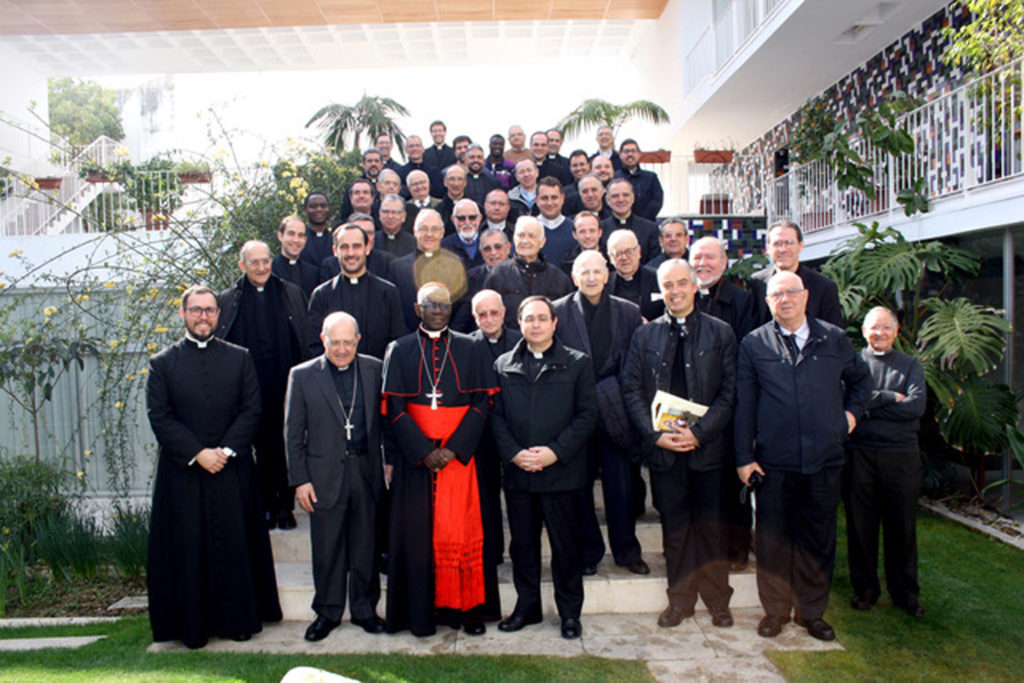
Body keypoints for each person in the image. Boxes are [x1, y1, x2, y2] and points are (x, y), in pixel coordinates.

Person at [735, 271, 871, 642]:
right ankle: (775, 612)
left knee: (817, 540)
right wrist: (744, 457)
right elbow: (745, 404)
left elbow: (861, 382)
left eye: (792, 292)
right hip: (773, 463)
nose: (785, 299)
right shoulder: (753, 344)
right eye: (777, 294)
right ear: (767, 302)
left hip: (824, 461)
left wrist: (851, 416)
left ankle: (811, 613)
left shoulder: (835, 339)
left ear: (806, 296)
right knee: (772, 541)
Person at [146, 285, 281, 649]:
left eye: (209, 310)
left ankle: (238, 620)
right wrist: (197, 452)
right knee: (189, 547)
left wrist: (224, 450)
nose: (203, 316)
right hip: (184, 474)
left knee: (235, 545)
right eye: (195, 310)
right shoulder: (162, 363)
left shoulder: (240, 358)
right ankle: (194, 626)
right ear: (183, 314)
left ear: (219, 315)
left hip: (231, 469)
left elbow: (252, 409)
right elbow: (160, 417)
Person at [621, 259, 737, 630]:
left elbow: (730, 392)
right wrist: (655, 436)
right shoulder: (644, 336)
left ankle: (718, 600)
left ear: (694, 286)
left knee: (711, 529)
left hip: (708, 449)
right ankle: (681, 601)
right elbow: (632, 390)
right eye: (667, 285)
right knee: (675, 531)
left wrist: (699, 433)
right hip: (664, 453)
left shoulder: (721, 333)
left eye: (681, 283)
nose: (675, 291)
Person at [381, 282, 500, 637]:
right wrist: (423, 451)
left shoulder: (471, 348)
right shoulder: (399, 349)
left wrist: (453, 448)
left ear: (451, 310)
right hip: (414, 460)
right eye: (430, 305)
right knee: (417, 536)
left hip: (460, 459)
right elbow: (393, 408)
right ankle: (419, 614)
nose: (437, 311)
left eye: (444, 306)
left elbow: (483, 402)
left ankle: (468, 612)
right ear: (417, 309)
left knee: (465, 531)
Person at [491, 296, 598, 640]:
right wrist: (514, 453)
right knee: (522, 547)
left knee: (566, 548)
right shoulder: (503, 364)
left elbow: (587, 416)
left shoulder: (577, 363)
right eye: (528, 319)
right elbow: (496, 417)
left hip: (561, 474)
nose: (535, 325)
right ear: (518, 324)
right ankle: (527, 607)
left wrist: (554, 452)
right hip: (520, 473)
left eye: (542, 318)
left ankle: (569, 613)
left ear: (555, 323)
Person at [285, 312, 387, 641]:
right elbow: (292, 433)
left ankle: (364, 610)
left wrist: (389, 462)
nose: (341, 349)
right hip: (323, 475)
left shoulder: (374, 369)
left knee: (365, 546)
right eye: (335, 342)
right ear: (323, 339)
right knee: (327, 548)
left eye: (347, 342)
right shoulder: (301, 375)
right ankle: (327, 613)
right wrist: (300, 480)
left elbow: (386, 422)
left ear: (358, 340)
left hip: (365, 470)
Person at [553, 250, 646, 577]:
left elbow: (636, 365)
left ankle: (627, 550)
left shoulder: (629, 312)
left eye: (597, 271)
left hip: (616, 409)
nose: (591, 277)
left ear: (607, 275)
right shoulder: (557, 312)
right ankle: (589, 551)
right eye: (584, 272)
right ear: (574, 277)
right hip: (573, 412)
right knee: (579, 486)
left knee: (621, 485)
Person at [217, 240, 309, 530]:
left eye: (265, 261)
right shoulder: (228, 299)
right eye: (254, 262)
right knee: (252, 447)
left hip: (282, 383)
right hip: (246, 388)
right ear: (242, 266)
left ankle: (284, 506)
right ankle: (263, 506)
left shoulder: (290, 293)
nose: (261, 268)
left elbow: (302, 337)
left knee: (281, 446)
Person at [844, 307, 927, 617]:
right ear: (864, 331)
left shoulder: (910, 365)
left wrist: (867, 404)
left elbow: (916, 407)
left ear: (895, 332)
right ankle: (865, 591)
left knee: (902, 527)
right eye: (873, 328)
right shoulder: (853, 363)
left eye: (885, 328)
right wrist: (891, 397)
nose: (879, 334)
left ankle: (906, 593)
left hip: (901, 458)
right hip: (860, 455)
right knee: (860, 527)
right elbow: (846, 400)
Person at [688, 235, 757, 570]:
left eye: (709, 258)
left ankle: (738, 546)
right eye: (696, 258)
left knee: (733, 480)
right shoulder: (685, 296)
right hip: (691, 406)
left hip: (730, 401)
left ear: (724, 262)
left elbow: (745, 352)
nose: (702, 264)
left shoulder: (742, 301)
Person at [468, 288, 523, 567]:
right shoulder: (465, 346)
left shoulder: (521, 341)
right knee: (486, 496)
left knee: (518, 496)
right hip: (482, 435)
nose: (489, 319)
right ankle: (492, 552)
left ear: (503, 313)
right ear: (474, 317)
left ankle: (521, 551)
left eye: (493, 312)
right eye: (482, 314)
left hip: (517, 432)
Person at [307, 222, 405, 359]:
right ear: (335, 251)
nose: (351, 253)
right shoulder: (321, 295)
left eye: (356, 246)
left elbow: (396, 342)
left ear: (367, 248)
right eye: (344, 247)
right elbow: (315, 346)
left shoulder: (387, 292)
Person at [387, 208, 471, 333]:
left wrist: (450, 334)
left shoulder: (457, 263)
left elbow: (464, 304)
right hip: (410, 342)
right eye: (423, 229)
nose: (429, 234)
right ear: (415, 232)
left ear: (442, 232)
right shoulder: (397, 268)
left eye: (435, 229)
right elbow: (393, 308)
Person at [483, 216, 573, 328]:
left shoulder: (559, 278)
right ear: (514, 240)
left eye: (531, 236)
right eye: (521, 235)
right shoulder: (498, 275)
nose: (525, 241)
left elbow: (567, 320)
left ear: (542, 242)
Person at [748, 220, 843, 326]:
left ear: (801, 245)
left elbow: (834, 334)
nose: (783, 249)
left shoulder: (824, 287)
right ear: (768, 248)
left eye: (789, 243)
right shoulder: (758, 283)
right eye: (777, 243)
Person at [606, 229, 664, 321]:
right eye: (618, 253)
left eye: (629, 251)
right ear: (610, 258)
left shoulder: (659, 278)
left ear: (639, 251)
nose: (624, 257)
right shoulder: (605, 283)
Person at [601, 178, 660, 265]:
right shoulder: (600, 229)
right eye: (615, 196)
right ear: (607, 200)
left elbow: (654, 262)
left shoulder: (650, 228)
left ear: (633, 198)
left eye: (625, 195)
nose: (621, 199)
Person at [272, 215, 320, 300]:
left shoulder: (313, 273)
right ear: (280, 236)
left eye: (300, 235)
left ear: (305, 240)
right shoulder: (270, 270)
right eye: (291, 234)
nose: (296, 240)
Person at [616, 138, 664, 220]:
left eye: (633, 151)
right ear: (620, 154)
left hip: (646, 224)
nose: (630, 154)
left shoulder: (651, 178)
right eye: (626, 151)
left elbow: (657, 201)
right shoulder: (615, 178)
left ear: (639, 154)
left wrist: (640, 220)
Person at [536, 177, 575, 268]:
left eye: (554, 197)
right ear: (537, 200)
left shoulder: (575, 230)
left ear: (562, 198)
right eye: (544, 198)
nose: (549, 203)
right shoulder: (526, 231)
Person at [441, 197, 485, 270]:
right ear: (453, 219)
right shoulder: (444, 247)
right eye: (461, 218)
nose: (467, 222)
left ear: (480, 218)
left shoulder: (489, 243)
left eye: (472, 217)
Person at [300, 192, 334, 269]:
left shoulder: (336, 240)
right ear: (305, 210)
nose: (319, 209)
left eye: (323, 206)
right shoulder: (299, 241)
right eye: (313, 206)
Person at [377, 194, 417, 258]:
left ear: (403, 216)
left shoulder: (413, 243)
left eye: (395, 212)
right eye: (386, 212)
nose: (390, 216)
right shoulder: (373, 240)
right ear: (379, 214)